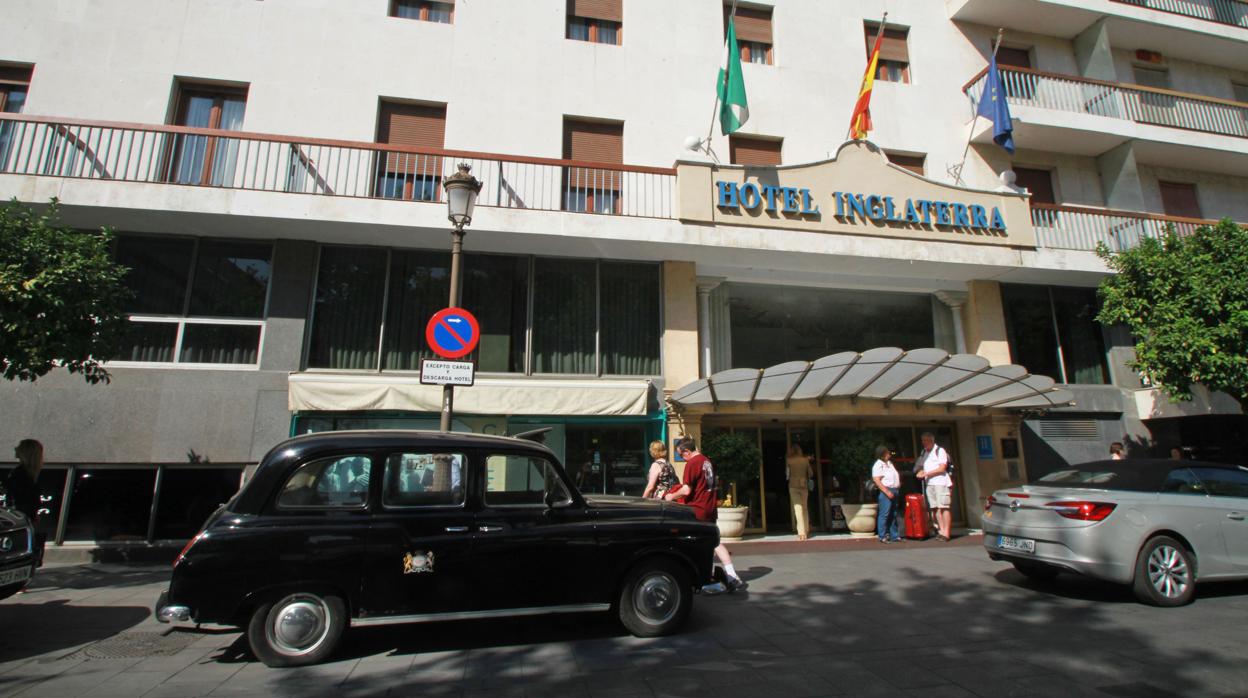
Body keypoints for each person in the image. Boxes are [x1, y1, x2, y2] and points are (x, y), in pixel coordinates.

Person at [664, 437, 747, 592]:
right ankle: (731, 575)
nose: (682, 458)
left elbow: (687, 490)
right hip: (710, 508)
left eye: (681, 455)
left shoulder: (692, 463)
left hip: (697, 509)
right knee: (714, 541)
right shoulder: (707, 461)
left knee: (692, 544)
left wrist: (670, 496)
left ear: (687, 451)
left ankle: (698, 577)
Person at [915, 432, 954, 542]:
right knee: (935, 508)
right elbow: (922, 466)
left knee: (944, 507)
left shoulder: (940, 451)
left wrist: (926, 473)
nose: (924, 443)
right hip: (930, 483)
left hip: (940, 482)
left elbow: (942, 468)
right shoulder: (924, 452)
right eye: (922, 440)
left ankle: (946, 533)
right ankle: (940, 531)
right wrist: (921, 472)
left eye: (925, 440)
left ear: (931, 440)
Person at [4, 439, 43, 523]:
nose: (15, 448)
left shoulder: (20, 473)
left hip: (17, 516)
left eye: (19, 447)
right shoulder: (29, 473)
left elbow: (16, 495)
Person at [871, 445, 901, 543]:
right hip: (886, 491)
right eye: (887, 453)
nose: (889, 454)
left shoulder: (889, 463)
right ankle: (882, 535)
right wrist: (887, 491)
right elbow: (877, 480)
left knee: (893, 513)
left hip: (894, 489)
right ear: (882, 454)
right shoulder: (878, 465)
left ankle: (894, 535)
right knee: (884, 514)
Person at [785, 444, 813, 541]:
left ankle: (801, 533)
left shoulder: (789, 461)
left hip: (793, 486)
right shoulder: (805, 460)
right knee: (805, 508)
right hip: (803, 485)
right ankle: (806, 529)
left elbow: (787, 475)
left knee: (798, 508)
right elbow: (811, 473)